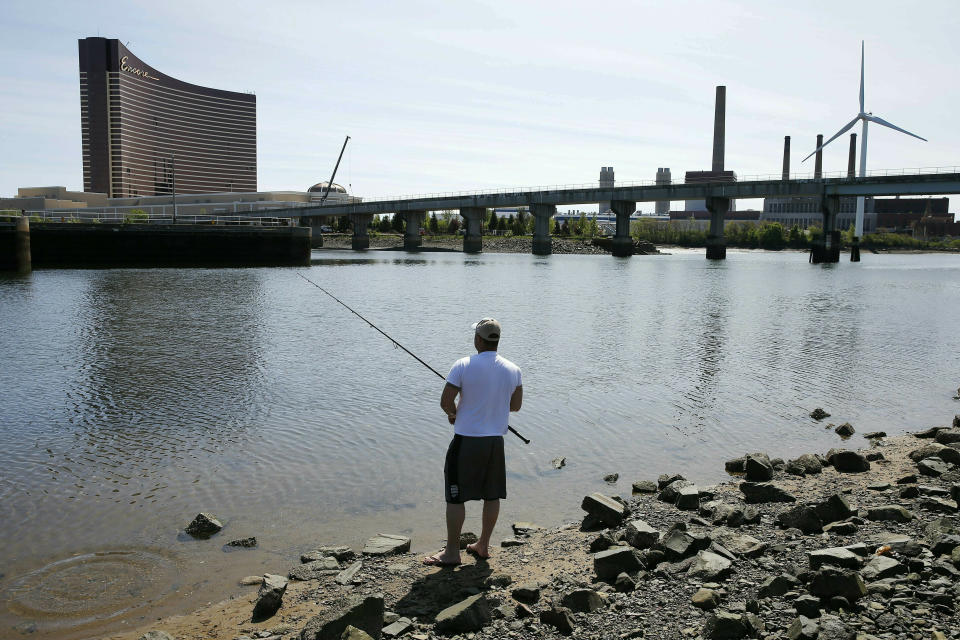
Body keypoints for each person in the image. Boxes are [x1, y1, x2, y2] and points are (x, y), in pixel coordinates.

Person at [423, 318, 523, 566]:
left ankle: (452, 553)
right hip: (494, 444)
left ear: (478, 339)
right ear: (497, 340)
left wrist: (453, 413)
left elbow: (446, 401)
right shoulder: (513, 370)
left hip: (466, 442)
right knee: (492, 495)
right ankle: (483, 545)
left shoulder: (462, 365)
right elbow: (516, 406)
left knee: (455, 497)